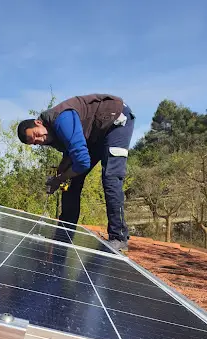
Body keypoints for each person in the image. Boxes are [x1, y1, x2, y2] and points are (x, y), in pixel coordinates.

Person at [17, 94, 135, 252]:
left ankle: (118, 236)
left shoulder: (61, 120)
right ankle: (65, 232)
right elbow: (70, 152)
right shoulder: (50, 135)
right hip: (94, 136)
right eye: (35, 142)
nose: (40, 140)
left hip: (116, 122)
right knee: (72, 182)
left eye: (36, 134)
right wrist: (60, 174)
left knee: (111, 177)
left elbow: (82, 162)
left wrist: (59, 179)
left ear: (38, 123)